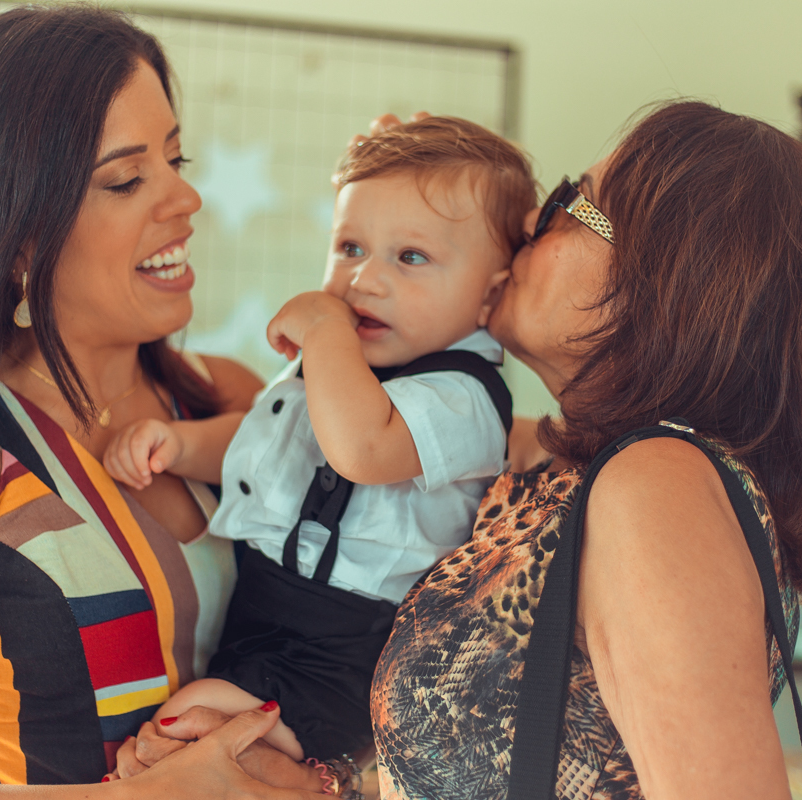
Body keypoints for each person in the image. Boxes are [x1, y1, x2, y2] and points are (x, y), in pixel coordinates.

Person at [0, 6, 321, 797]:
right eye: (127, 178)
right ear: (17, 240)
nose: (187, 199)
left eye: (178, 158)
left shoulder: (229, 398)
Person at [365, 101, 802, 799]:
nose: (523, 226)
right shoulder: (562, 476)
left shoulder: (656, 485)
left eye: (566, 202)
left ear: (660, 279)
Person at [104, 117, 536, 763]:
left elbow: (361, 451)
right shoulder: (343, 364)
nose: (364, 280)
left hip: (350, 647)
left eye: (410, 257)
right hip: (264, 615)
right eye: (350, 248)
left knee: (185, 738)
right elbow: (275, 444)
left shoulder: (465, 397)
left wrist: (326, 330)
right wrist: (180, 444)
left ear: (489, 295)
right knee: (188, 740)